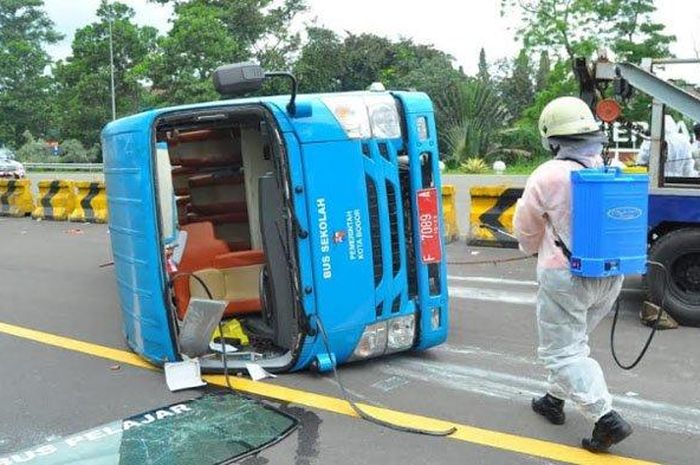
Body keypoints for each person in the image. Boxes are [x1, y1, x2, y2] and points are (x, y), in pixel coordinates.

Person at [513, 96, 633, 452]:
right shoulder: (612, 169)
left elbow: (527, 231)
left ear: (553, 139)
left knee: (562, 353)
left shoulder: (548, 174)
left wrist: (534, 247)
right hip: (611, 277)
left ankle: (605, 417)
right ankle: (553, 400)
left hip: (565, 278)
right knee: (573, 342)